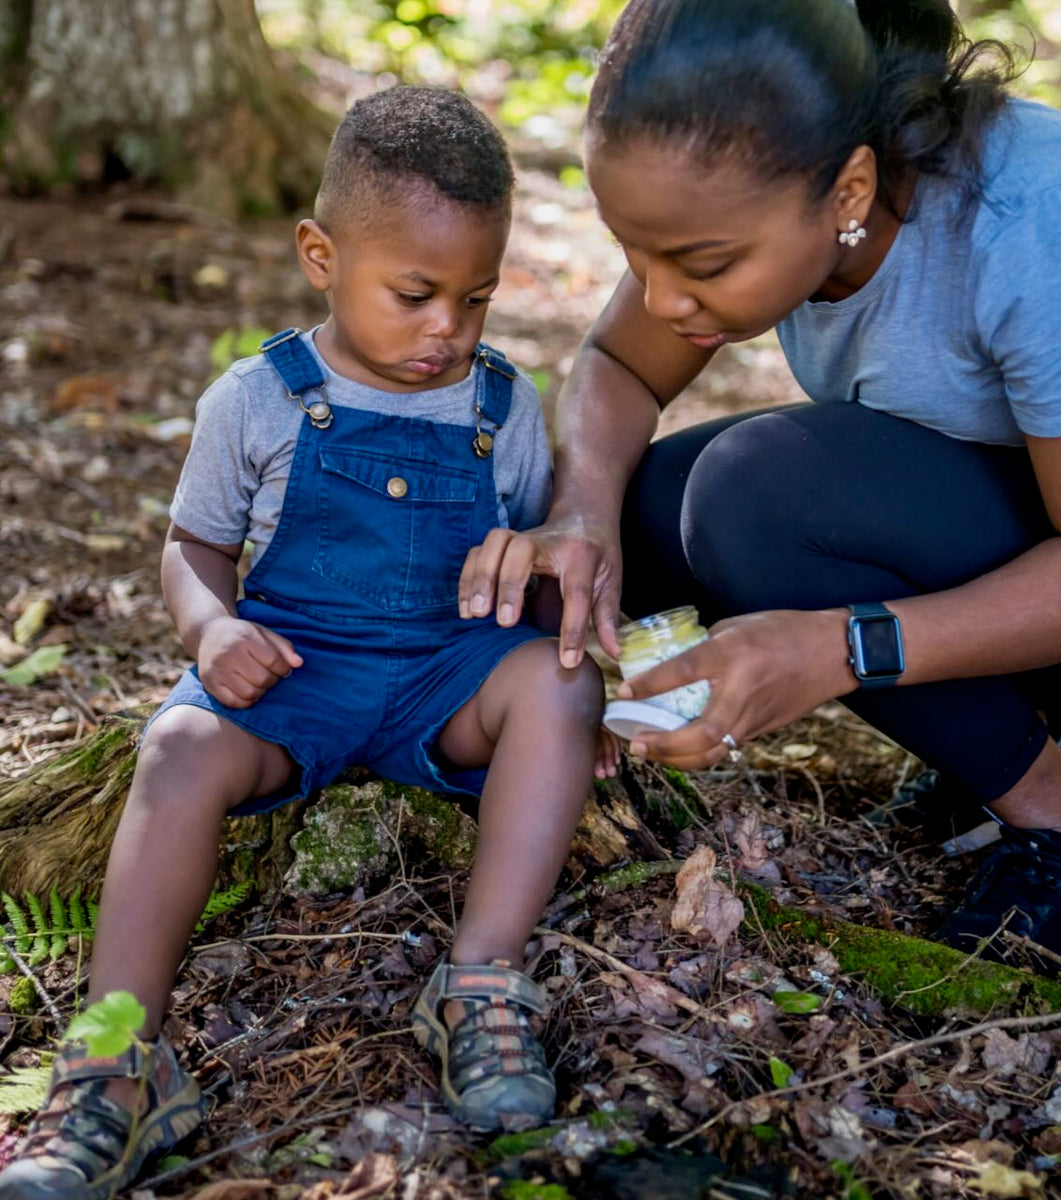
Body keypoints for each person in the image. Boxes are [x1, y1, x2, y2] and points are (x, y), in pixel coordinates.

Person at [460, 0, 1061, 980]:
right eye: (639, 253)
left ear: (849, 186)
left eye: (704, 264)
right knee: (647, 511)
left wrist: (839, 647)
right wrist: (582, 513)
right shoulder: (772, 186)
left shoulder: (1041, 225)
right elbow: (615, 363)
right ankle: (1028, 740)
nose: (664, 296)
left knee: (757, 498)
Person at [0, 84, 616, 1200]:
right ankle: (113, 1062)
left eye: (475, 298)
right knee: (178, 749)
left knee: (564, 694)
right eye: (417, 294)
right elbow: (191, 549)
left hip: (446, 674)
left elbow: (527, 568)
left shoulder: (501, 405)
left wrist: (561, 691)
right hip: (295, 674)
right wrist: (214, 625)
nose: (449, 329)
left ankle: (481, 983)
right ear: (321, 255)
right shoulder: (260, 397)